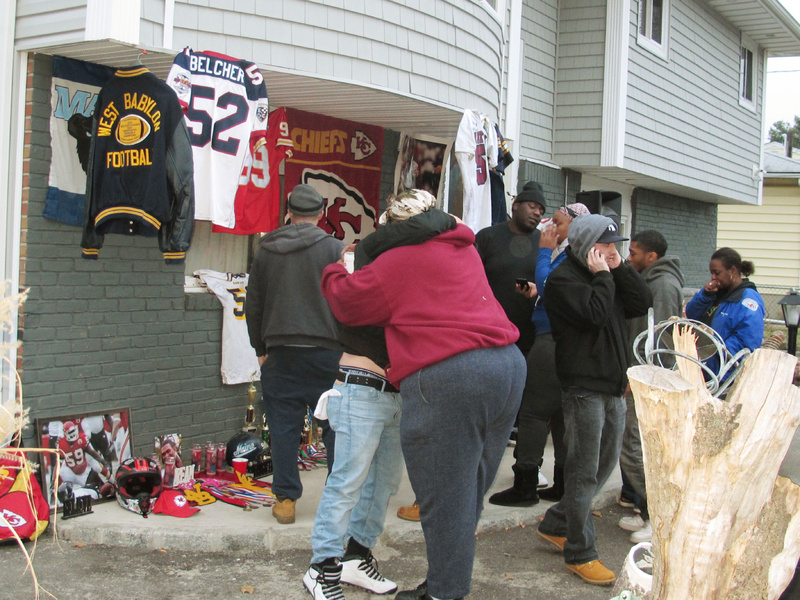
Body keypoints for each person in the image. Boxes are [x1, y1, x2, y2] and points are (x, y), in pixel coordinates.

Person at [321, 189, 525, 600]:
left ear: (395, 227)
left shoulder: (399, 259)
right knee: (468, 493)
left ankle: (444, 593)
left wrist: (335, 269)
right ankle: (446, 584)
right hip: (508, 367)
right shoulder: (461, 247)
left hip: (452, 377)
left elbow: (347, 304)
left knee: (444, 499)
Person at [303, 200, 457, 600]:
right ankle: (322, 567)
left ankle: (356, 555)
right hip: (360, 383)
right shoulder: (366, 258)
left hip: (398, 390)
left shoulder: (413, 263)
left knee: (384, 483)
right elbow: (354, 317)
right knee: (347, 482)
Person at [536, 214, 652, 586]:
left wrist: (618, 271)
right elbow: (595, 314)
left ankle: (557, 521)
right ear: (587, 244)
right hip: (583, 386)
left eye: (616, 245)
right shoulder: (563, 279)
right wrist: (604, 277)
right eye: (606, 245)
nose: (613, 251)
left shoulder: (609, 274)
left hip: (613, 384)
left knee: (603, 466)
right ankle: (580, 551)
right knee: (584, 471)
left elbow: (640, 303)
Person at [246, 184, 344, 526]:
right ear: (321, 215)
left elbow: (253, 304)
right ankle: (336, 501)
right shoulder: (335, 249)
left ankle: (286, 501)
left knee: (283, 429)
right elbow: (347, 302)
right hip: (328, 353)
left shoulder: (266, 250)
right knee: (334, 428)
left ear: (288, 212)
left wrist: (260, 350)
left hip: (281, 352)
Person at [490, 203, 590, 507]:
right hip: (566, 341)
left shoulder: (572, 253)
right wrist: (537, 291)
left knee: (533, 411)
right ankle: (561, 483)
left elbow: (552, 285)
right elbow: (557, 291)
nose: (551, 227)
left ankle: (525, 484)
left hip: (552, 340)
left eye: (558, 223)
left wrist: (544, 251)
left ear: (576, 226)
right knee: (559, 413)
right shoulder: (578, 255)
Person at [618, 230, 685, 544]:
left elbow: (661, 338)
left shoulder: (662, 285)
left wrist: (645, 376)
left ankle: (658, 517)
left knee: (636, 447)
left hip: (648, 379)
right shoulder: (650, 280)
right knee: (635, 446)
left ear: (652, 257)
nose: (629, 258)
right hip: (638, 373)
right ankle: (646, 511)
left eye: (633, 253)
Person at [474, 181, 546, 356]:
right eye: (532, 206)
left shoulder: (544, 242)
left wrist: (530, 288)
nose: (537, 213)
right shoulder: (488, 236)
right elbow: (471, 277)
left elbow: (548, 282)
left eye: (541, 211)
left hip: (528, 334)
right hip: (488, 330)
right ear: (516, 206)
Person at [685, 247, 765, 380]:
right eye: (711, 273)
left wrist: (715, 354)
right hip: (703, 368)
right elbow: (691, 314)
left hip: (724, 375)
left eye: (717, 273)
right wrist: (706, 295)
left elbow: (748, 341)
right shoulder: (715, 293)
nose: (713, 278)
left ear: (732, 270)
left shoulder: (747, 300)